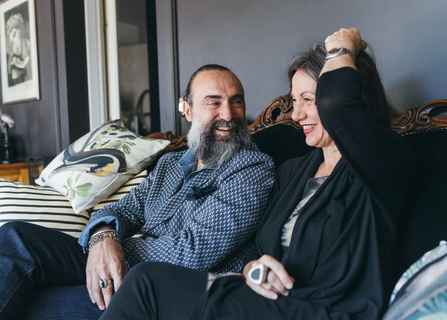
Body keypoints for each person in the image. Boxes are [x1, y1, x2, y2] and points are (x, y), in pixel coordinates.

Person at [99, 28, 416, 320]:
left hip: (326, 310)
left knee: (145, 282)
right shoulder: (294, 171)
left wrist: (342, 49)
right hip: (268, 301)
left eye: (309, 100)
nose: (296, 114)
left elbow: (338, 104)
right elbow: (258, 248)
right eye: (294, 100)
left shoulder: (383, 164)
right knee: (142, 281)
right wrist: (255, 269)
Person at [0, 64, 275, 319]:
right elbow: (123, 209)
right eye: (214, 102)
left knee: (29, 302)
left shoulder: (252, 167)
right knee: (15, 237)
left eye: (237, 102)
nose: (229, 113)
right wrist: (103, 237)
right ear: (186, 109)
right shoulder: (170, 164)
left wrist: (114, 251)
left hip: (167, 291)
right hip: (122, 268)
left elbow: (192, 252)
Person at [5, 12, 32, 86]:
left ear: (21, 31)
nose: (12, 43)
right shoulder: (14, 62)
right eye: (10, 39)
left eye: (14, 34)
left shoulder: (32, 49)